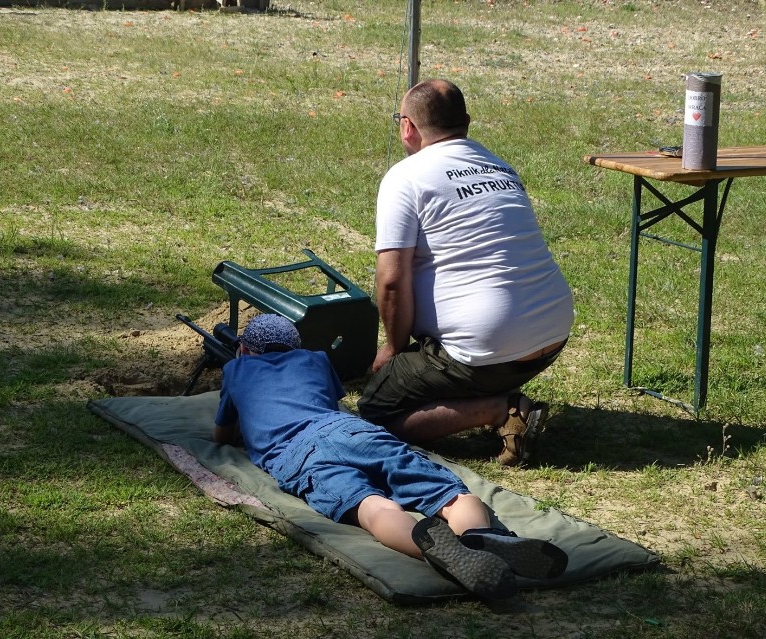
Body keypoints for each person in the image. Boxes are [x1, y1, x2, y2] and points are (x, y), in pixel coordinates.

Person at [214, 314, 568, 600]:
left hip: (298, 455)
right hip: (349, 431)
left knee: (372, 508)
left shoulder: (235, 370)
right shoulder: (315, 360)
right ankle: (485, 537)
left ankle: (432, 551)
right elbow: (330, 398)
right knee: (447, 494)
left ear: (243, 350)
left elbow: (223, 435)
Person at [357, 79, 574, 466]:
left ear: (407, 127)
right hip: (551, 333)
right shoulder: (498, 164)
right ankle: (489, 394)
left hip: (488, 348)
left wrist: (393, 348)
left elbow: (391, 282)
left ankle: (500, 411)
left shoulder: (406, 177)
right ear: (467, 122)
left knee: (376, 413)